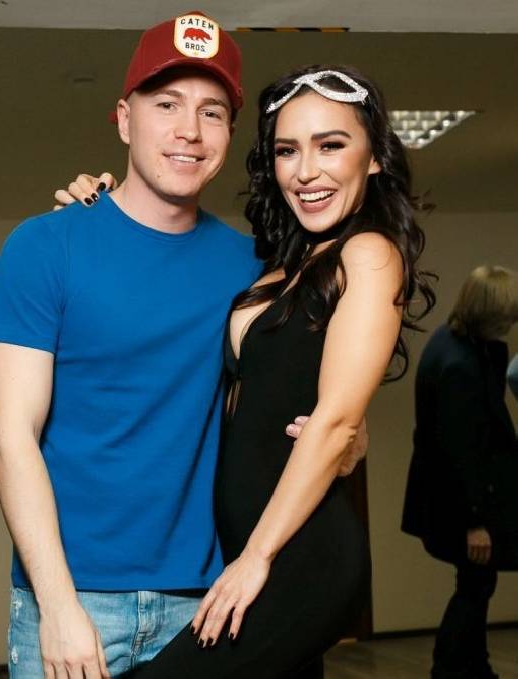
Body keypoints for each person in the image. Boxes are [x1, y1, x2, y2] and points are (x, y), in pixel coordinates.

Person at [0, 13, 366, 679]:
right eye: (166, 105)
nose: (189, 130)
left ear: (229, 136)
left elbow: (315, 398)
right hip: (76, 600)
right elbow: (8, 437)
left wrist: (348, 441)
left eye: (212, 112)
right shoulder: (44, 247)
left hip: (207, 601)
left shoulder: (257, 272)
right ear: (124, 120)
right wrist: (58, 605)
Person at [60, 62, 435, 677]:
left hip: (294, 556)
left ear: (373, 157)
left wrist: (256, 557)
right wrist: (100, 206)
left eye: (331, 145)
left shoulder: (368, 254)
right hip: (244, 548)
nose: (306, 170)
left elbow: (337, 422)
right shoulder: (279, 263)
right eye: (287, 150)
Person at [402, 265, 518, 679]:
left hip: (457, 496)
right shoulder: (458, 366)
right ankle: (451, 669)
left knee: (476, 584)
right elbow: (459, 452)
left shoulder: (453, 344)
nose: (510, 324)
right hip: (460, 503)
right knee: (475, 587)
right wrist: (475, 522)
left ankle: (473, 668)